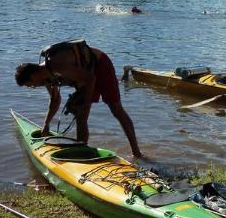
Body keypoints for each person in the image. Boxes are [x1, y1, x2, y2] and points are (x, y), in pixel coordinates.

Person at [14, 40, 142, 157]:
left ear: (33, 75)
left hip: (100, 64)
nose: (33, 87)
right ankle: (82, 151)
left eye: (29, 84)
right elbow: (55, 100)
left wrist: (86, 107)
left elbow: (91, 79)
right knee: (79, 115)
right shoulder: (46, 79)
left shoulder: (56, 65)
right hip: (85, 75)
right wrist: (46, 124)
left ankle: (137, 153)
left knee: (115, 109)